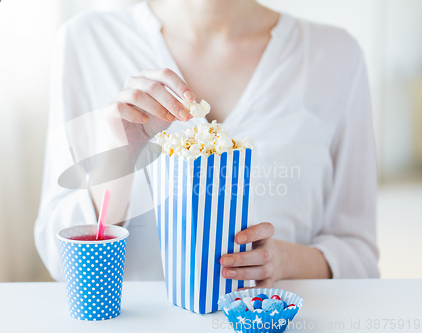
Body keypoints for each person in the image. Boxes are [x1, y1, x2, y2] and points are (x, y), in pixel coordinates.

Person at [35, 0, 379, 287]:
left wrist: (284, 261)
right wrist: (119, 159)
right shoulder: (87, 42)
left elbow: (359, 259)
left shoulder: (335, 55)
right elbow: (60, 260)